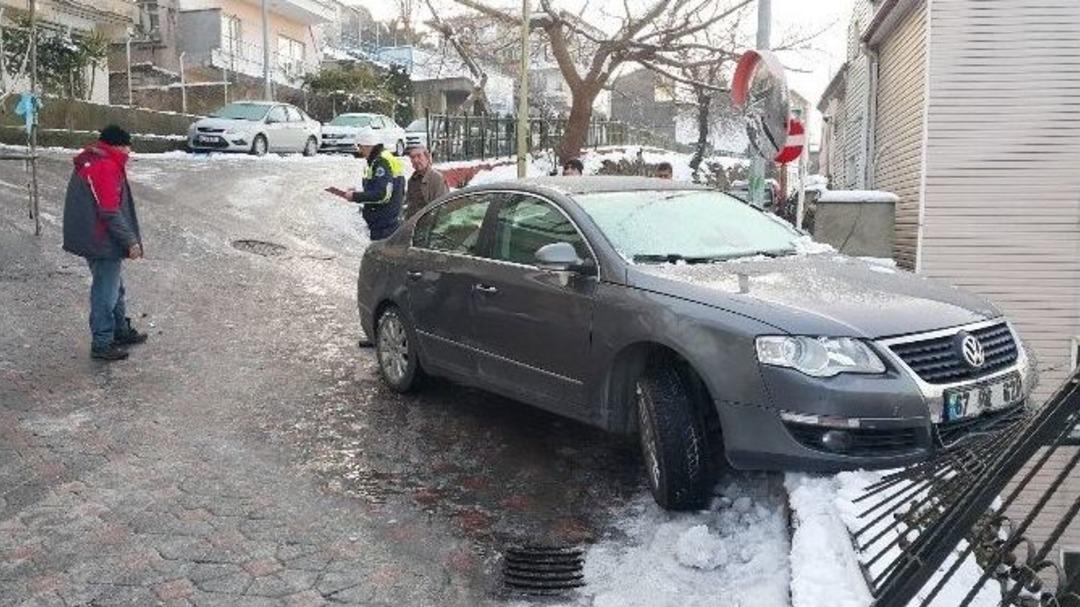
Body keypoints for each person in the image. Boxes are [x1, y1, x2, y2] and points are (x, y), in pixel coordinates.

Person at [62, 125, 148, 361]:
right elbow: (109, 211)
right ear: (118, 145)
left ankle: (119, 330)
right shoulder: (106, 166)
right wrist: (130, 241)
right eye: (127, 145)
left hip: (94, 236)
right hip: (101, 240)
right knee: (105, 292)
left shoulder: (97, 160)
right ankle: (102, 342)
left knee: (114, 287)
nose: (130, 151)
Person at [344, 131, 405, 241]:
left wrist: (355, 196)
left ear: (366, 146)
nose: (360, 152)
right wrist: (358, 193)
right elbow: (378, 188)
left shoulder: (381, 162)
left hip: (384, 225)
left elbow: (381, 195)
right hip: (385, 221)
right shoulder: (380, 159)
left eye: (360, 147)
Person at [403, 145, 449, 220]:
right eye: (412, 157)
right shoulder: (412, 180)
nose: (416, 160)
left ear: (427, 158)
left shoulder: (436, 178)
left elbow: (442, 207)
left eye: (419, 156)